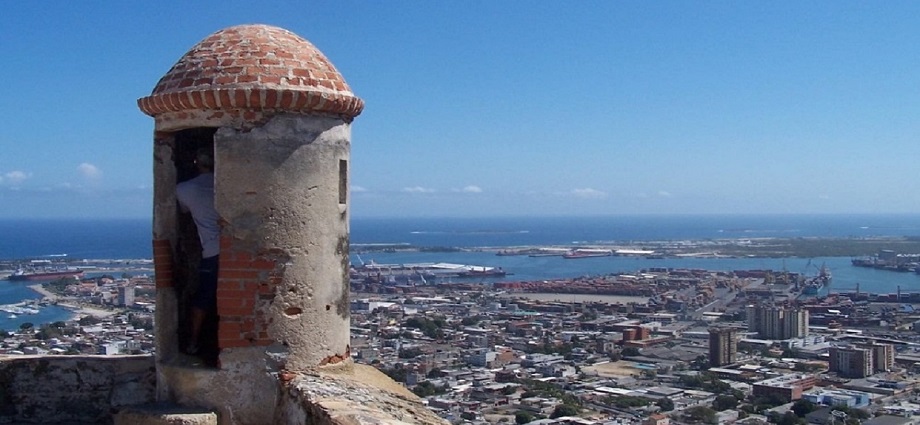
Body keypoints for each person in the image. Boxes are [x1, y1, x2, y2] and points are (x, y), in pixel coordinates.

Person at [176, 147, 220, 355]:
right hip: (237, 249)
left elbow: (184, 211)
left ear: (196, 163)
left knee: (204, 298)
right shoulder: (228, 185)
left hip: (212, 251)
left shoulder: (185, 189)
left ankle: (193, 342)